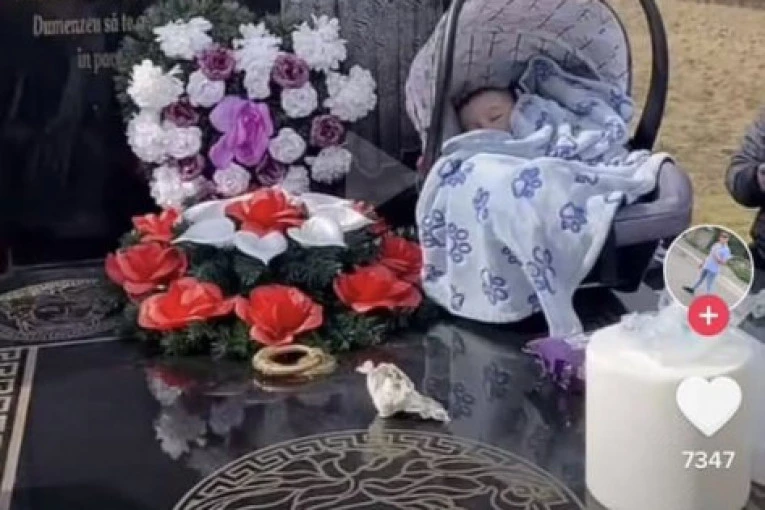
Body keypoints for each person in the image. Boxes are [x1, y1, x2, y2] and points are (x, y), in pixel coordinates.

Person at [682, 231, 732, 295]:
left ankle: (709, 298)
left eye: (725, 238)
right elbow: (710, 255)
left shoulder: (726, 250)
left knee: (709, 284)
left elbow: (723, 263)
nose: (723, 239)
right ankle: (692, 289)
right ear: (720, 237)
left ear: (727, 239)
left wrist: (717, 257)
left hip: (713, 270)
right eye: (722, 237)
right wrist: (703, 263)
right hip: (707, 265)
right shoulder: (716, 245)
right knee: (700, 279)